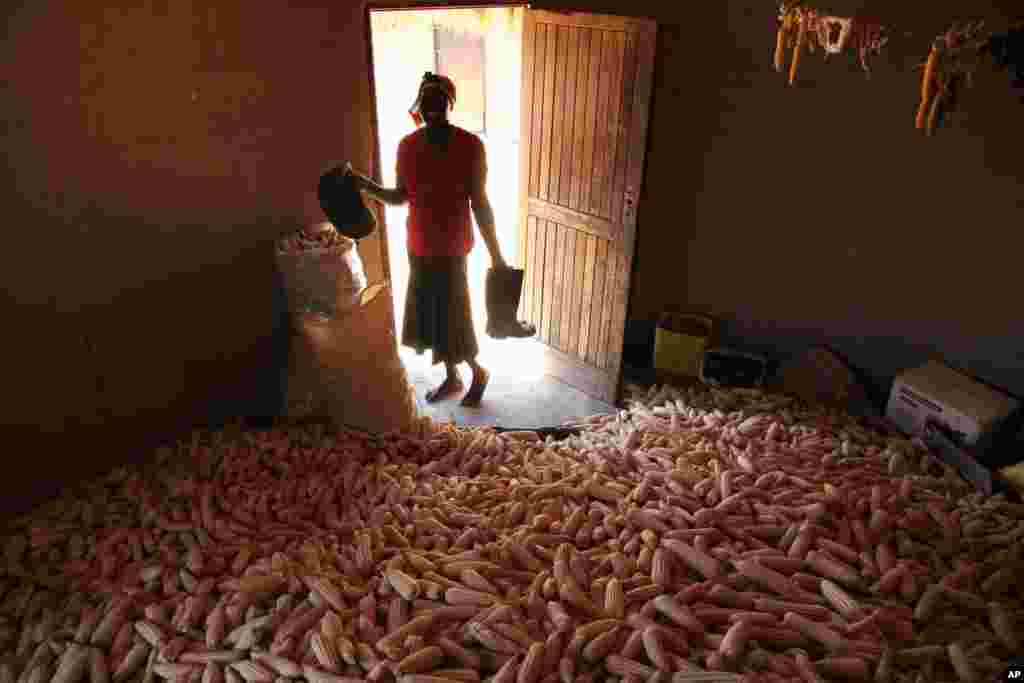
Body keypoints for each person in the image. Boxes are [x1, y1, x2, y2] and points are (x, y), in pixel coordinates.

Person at [352, 72, 511, 406]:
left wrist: (496, 253)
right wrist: (365, 185)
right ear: (419, 106)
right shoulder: (407, 147)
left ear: (450, 104)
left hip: (452, 248)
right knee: (433, 317)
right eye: (426, 99)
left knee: (454, 317)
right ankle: (452, 378)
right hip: (419, 246)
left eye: (439, 99)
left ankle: (477, 372)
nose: (432, 105)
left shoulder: (469, 146)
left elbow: (479, 202)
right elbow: (399, 197)